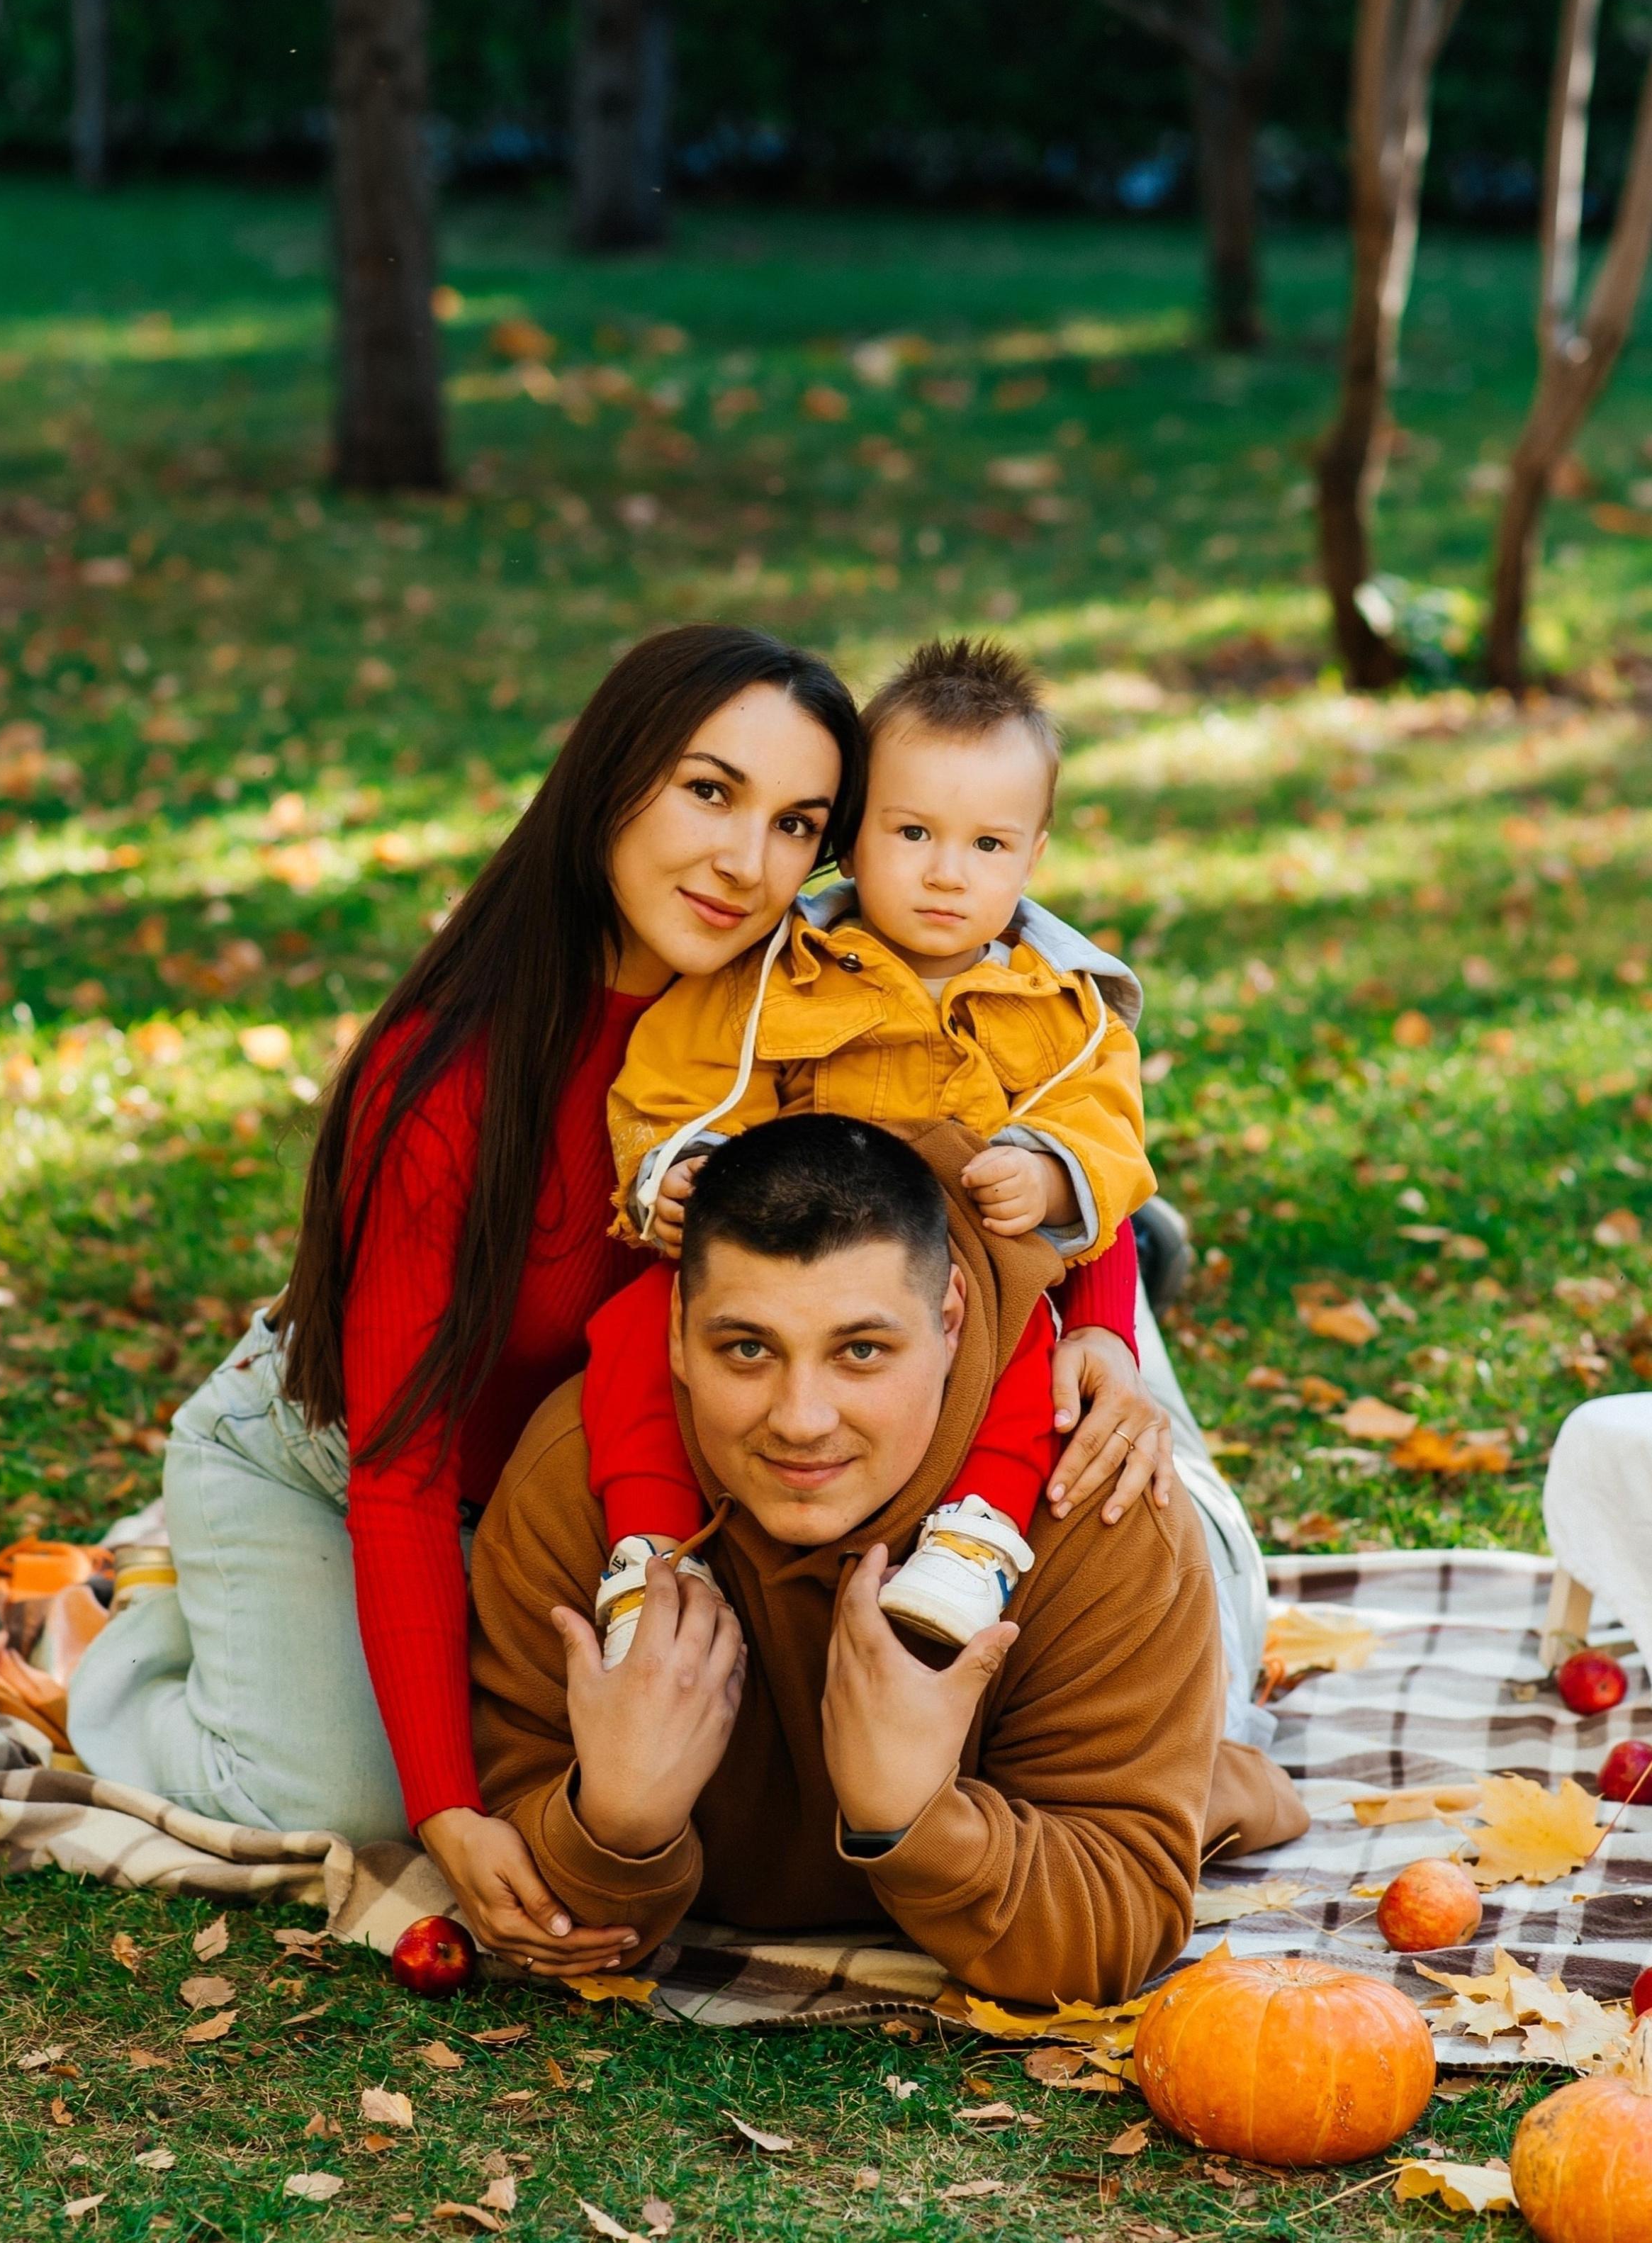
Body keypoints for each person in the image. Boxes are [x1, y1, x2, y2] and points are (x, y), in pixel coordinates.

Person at [68, 624, 1171, 1979]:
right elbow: (401, 1470)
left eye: (796, 823)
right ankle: (91, 1656)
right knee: (340, 1803)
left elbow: (1035, 1110)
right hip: (358, 1455)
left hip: (588, 1470)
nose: (742, 860)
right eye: (707, 791)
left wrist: (1110, 1322)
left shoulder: (803, 998)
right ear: (611, 780)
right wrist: (446, 1807)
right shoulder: (450, 1077)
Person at [471, 1115, 1306, 2003]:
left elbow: (1114, 1924)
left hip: (1142, 1521)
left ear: (946, 1321)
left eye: (860, 1350)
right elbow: (535, 1897)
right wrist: (618, 1823)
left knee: (1215, 1661)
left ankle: (1114, 1252)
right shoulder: (571, 1478)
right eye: (746, 1348)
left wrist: (916, 1817)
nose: (801, 1418)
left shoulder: (1104, 1491)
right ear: (676, 1333)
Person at [586, 638, 1152, 1663]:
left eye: (987, 845)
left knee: (1021, 1353)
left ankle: (976, 1538)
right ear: (852, 834)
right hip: (786, 1260)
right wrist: (672, 1166)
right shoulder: (778, 971)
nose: (945, 872)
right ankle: (652, 1551)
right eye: (913, 831)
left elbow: (1107, 1122)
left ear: (1033, 852)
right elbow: (672, 1076)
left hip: (955, 1275)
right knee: (638, 1326)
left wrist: (1053, 1165)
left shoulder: (1060, 1008)